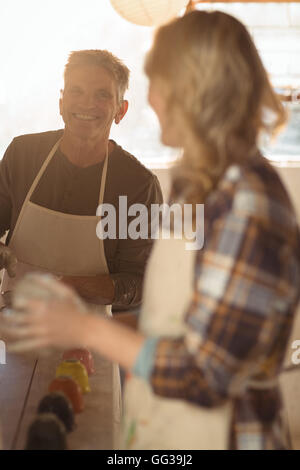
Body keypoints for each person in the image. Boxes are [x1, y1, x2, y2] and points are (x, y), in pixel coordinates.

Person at [2, 10, 300, 450]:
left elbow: (209, 375)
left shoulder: (248, 201)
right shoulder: (201, 187)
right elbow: (172, 318)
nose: (152, 100)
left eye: (159, 83)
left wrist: (86, 329)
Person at [0, 49, 163, 316]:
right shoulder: (22, 154)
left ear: (121, 110)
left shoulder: (138, 185)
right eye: (76, 91)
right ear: (61, 102)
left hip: (87, 345)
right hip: (12, 331)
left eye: (102, 94)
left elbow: (142, 282)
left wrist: (71, 286)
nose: (86, 104)